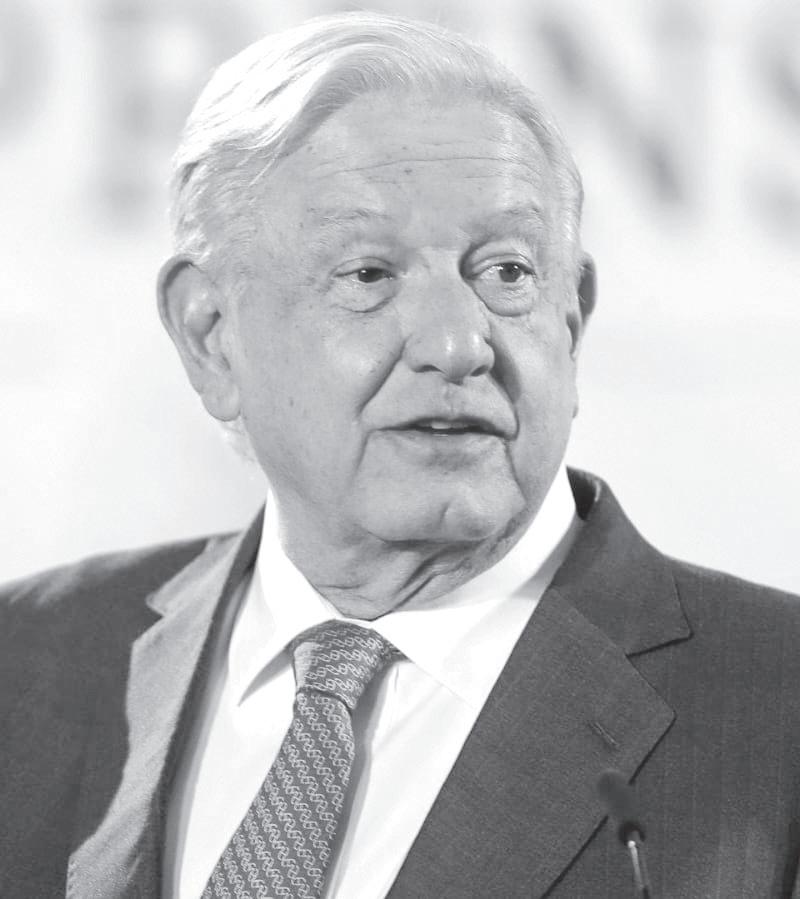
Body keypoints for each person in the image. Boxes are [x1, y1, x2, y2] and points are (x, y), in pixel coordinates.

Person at [2, 11, 799, 899]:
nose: (458, 345)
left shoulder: (776, 713)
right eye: (370, 275)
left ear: (572, 320)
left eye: (507, 272)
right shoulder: (24, 662)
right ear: (211, 335)